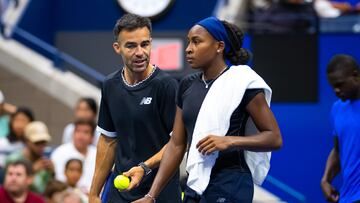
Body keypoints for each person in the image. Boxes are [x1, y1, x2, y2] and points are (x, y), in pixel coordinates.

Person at [133, 16, 282, 203]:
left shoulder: (242, 82)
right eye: (188, 42)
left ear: (219, 46)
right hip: (195, 185)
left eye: (196, 42)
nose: (188, 49)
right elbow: (177, 145)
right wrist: (151, 196)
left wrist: (229, 141)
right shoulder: (187, 85)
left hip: (232, 182)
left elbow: (274, 138)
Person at [89, 13, 180, 203]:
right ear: (117, 48)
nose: (140, 52)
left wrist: (144, 167)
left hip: (159, 192)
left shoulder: (166, 86)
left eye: (145, 44)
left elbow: (178, 144)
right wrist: (94, 194)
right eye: (131, 46)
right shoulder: (110, 85)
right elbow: (108, 141)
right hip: (121, 192)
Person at [320, 54, 360, 203]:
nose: (336, 90)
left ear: (355, 76)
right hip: (346, 197)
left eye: (340, 84)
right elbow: (338, 150)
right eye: (333, 86)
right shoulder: (337, 109)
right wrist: (325, 180)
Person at [6, 121, 54, 194]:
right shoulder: (13, 159)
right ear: (27, 141)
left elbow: (46, 192)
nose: (41, 146)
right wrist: (31, 170)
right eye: (37, 143)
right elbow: (8, 188)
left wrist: (53, 173)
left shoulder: (45, 162)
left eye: (44, 142)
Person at [51, 119, 96, 193]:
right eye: (78, 131)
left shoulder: (97, 154)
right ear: (73, 134)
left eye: (86, 132)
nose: (81, 136)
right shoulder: (60, 152)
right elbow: (58, 181)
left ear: (92, 137)